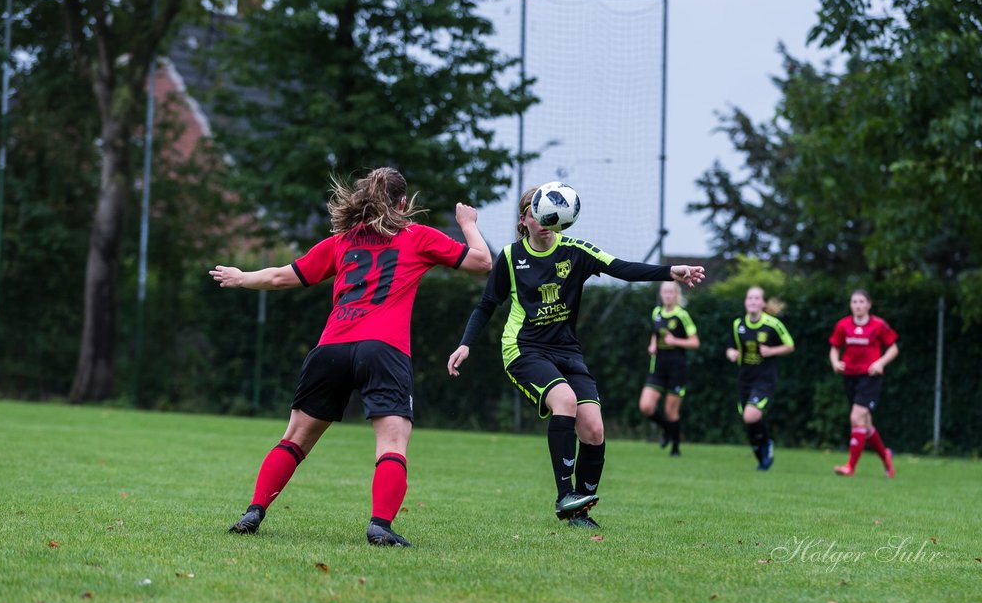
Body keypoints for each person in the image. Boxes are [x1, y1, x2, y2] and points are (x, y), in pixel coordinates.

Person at [212, 168, 492, 546]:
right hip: (384, 349)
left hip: (331, 349)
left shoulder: (342, 242)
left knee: (294, 439)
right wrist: (468, 223)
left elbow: (281, 277)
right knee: (392, 443)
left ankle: (254, 511)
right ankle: (380, 525)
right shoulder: (417, 236)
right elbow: (482, 263)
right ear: (402, 203)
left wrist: (241, 276)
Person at [446, 187, 705, 529]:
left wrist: (671, 271)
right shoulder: (510, 257)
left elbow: (622, 267)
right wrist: (466, 343)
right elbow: (486, 306)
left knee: (594, 429)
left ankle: (579, 513)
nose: (546, 222)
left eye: (552, 217)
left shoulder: (575, 252)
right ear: (525, 219)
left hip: (567, 351)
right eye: (537, 215)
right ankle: (564, 496)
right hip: (524, 350)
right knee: (565, 401)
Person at [829, 289, 898, 477]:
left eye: (861, 302)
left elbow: (893, 348)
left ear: (869, 304)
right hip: (850, 376)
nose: (858, 306)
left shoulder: (878, 325)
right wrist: (835, 362)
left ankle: (850, 467)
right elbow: (834, 348)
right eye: (854, 302)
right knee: (865, 424)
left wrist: (880, 363)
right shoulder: (843, 325)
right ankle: (885, 457)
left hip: (870, 377)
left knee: (855, 417)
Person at [726, 286, 794, 470]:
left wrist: (772, 350)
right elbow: (731, 347)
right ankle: (760, 449)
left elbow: (789, 345)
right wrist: (731, 354)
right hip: (745, 377)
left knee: (751, 415)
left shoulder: (772, 324)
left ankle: (767, 444)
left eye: (757, 298)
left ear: (763, 303)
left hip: (765, 378)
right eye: (750, 298)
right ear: (745, 302)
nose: (753, 302)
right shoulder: (738, 325)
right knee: (748, 420)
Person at [638, 281, 699, 456]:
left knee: (670, 411)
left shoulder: (682, 315)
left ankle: (675, 447)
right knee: (645, 406)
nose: (667, 295)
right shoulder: (656, 313)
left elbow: (695, 342)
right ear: (661, 294)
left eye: (671, 292)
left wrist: (676, 341)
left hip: (677, 369)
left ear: (676, 294)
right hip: (658, 367)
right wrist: (652, 345)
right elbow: (655, 333)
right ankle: (667, 429)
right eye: (665, 291)